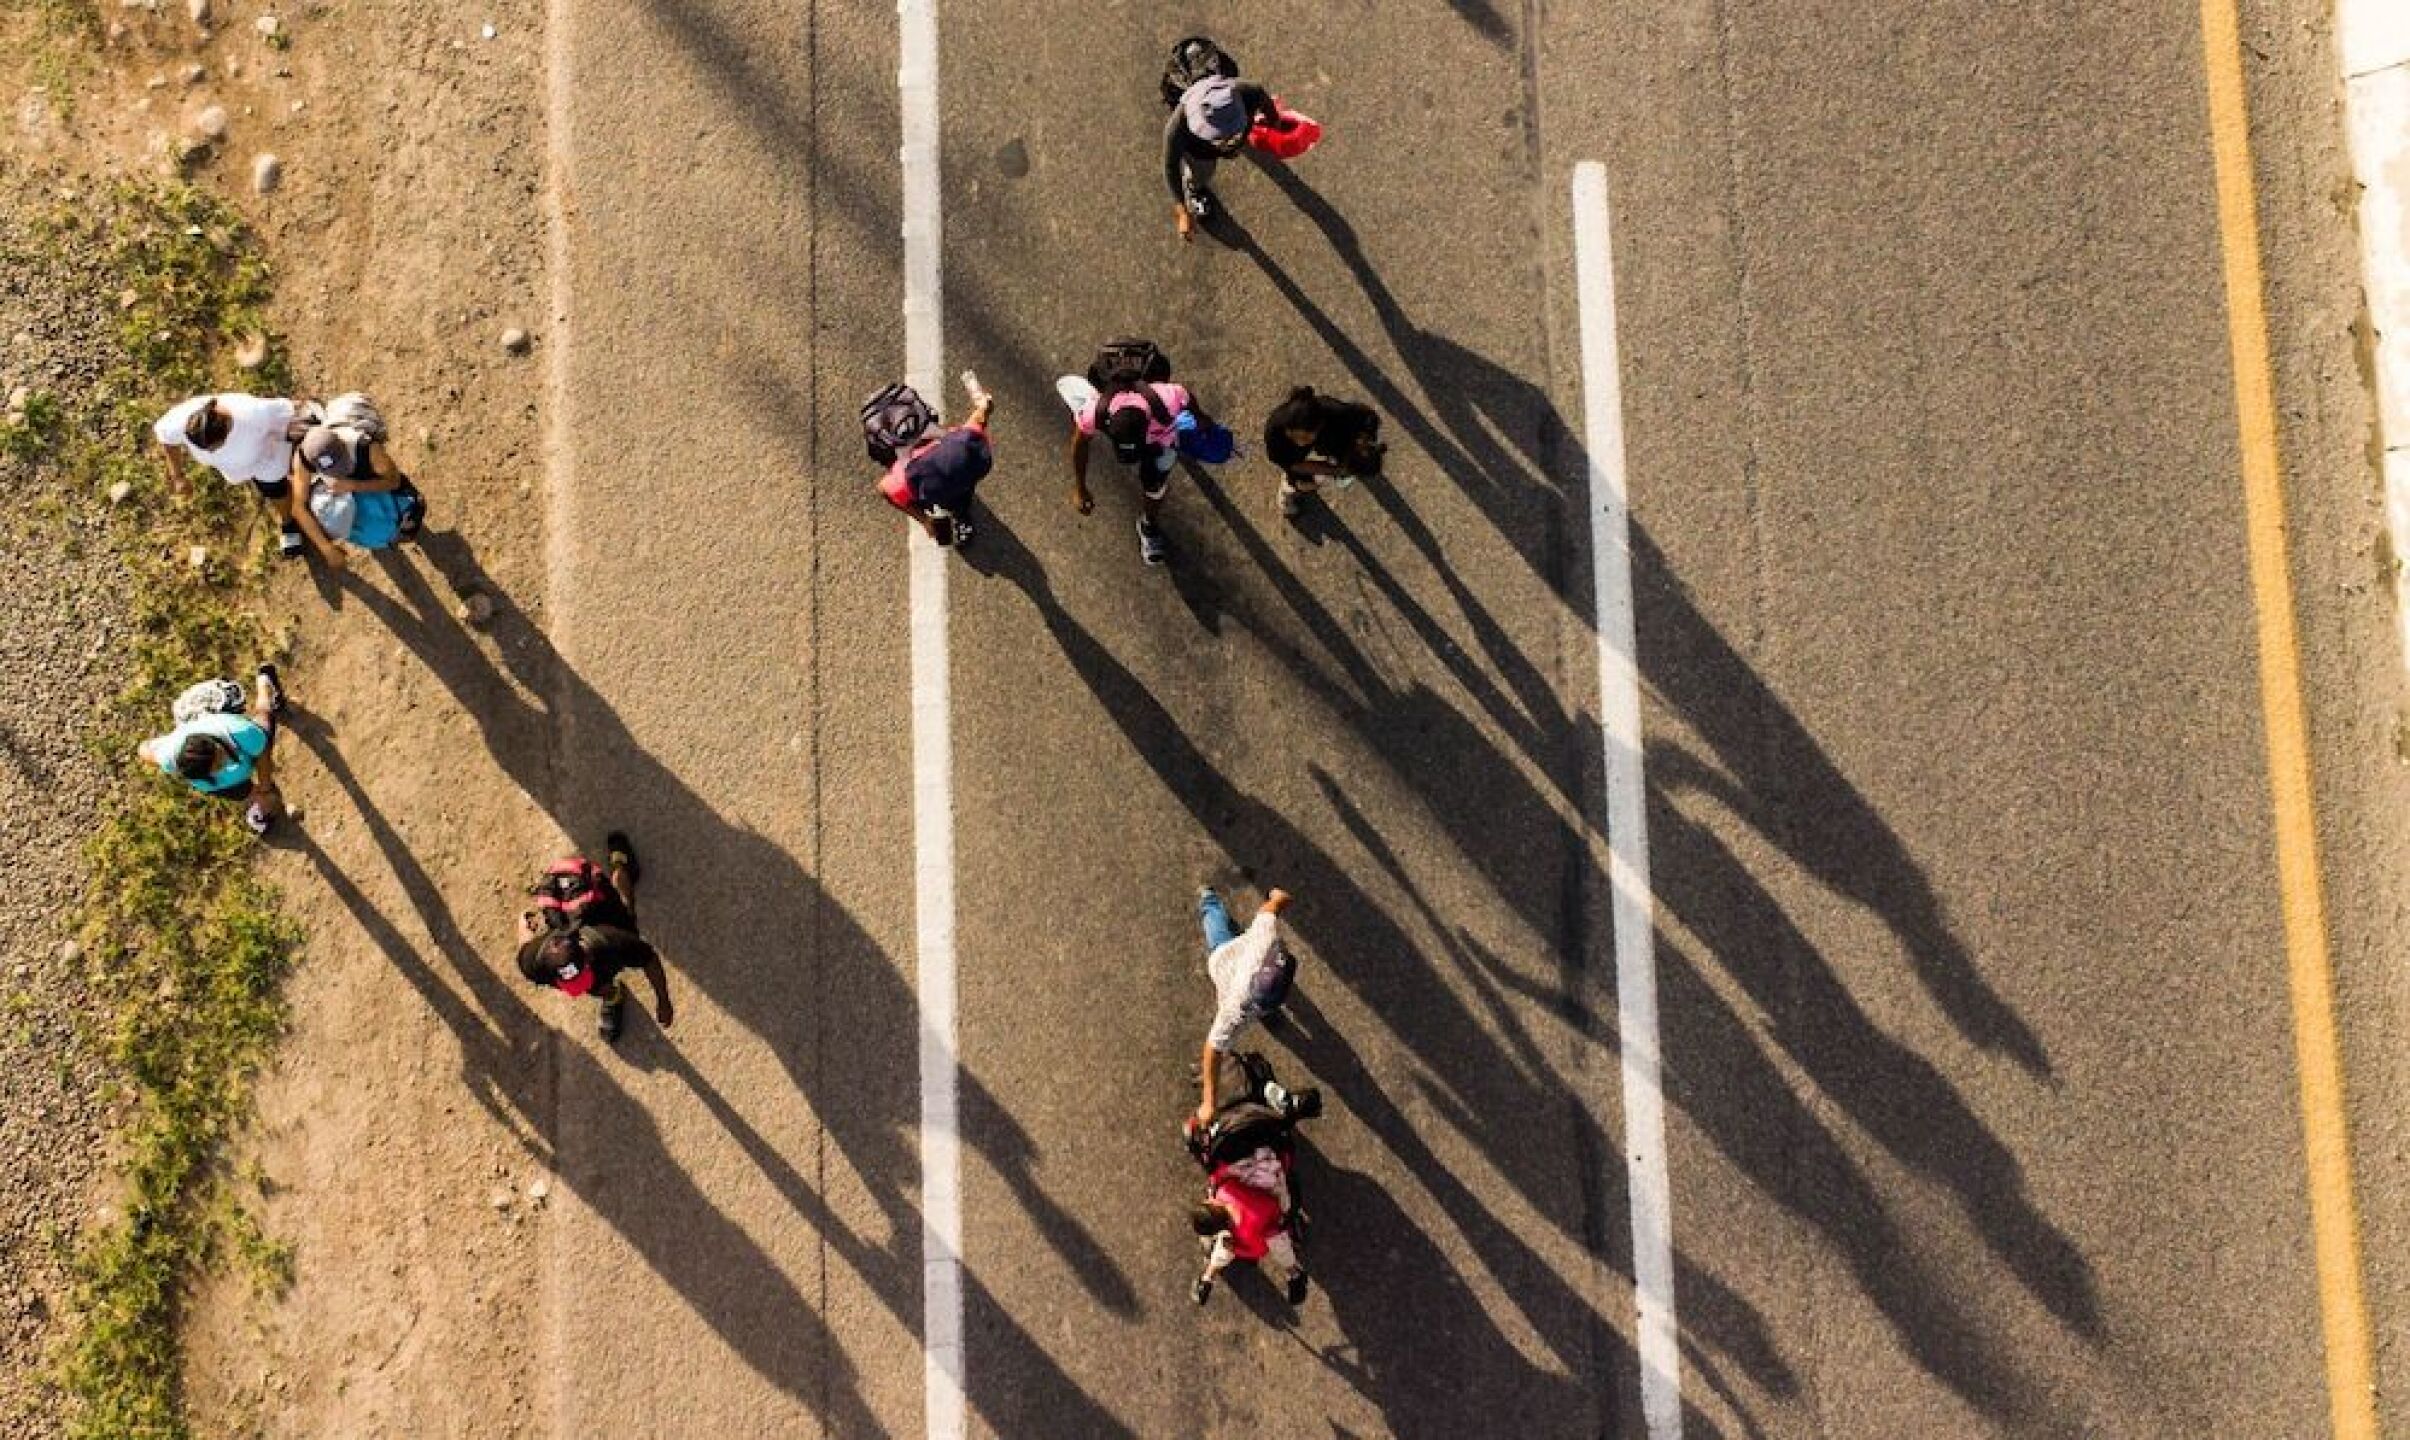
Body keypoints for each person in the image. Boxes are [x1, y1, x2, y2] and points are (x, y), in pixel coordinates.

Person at [514, 832, 675, 1044]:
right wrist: (522, 924)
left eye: (578, 978)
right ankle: (613, 995)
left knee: (627, 911)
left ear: (587, 954)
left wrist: (663, 1000)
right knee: (594, 984)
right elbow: (525, 943)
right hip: (572, 916)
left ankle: (621, 865)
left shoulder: (614, 940)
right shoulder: (532, 962)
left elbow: (649, 959)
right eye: (570, 983)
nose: (576, 988)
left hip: (597, 906)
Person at [1069, 342, 1205, 566]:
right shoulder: (1095, 412)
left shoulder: (1166, 401)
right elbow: (1079, 443)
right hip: (1142, 424)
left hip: (1158, 440)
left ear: (1148, 425)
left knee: (1156, 483)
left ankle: (1148, 525)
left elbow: (1186, 398)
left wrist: (1201, 419)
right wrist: (1079, 487)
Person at [152, 391, 313, 559]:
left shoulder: (255, 413)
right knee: (266, 486)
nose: (211, 452)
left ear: (227, 426)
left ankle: (288, 521)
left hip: (267, 459)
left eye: (214, 448)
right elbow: (166, 439)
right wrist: (177, 476)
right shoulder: (181, 422)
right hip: (238, 469)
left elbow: (290, 411)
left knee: (274, 489)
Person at [136, 664, 288, 835]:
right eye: (217, 767)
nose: (223, 766)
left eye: (220, 760)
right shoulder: (169, 757)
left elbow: (262, 755)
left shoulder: (241, 731)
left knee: (264, 718)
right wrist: (257, 793)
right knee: (242, 792)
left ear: (217, 745)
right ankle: (261, 800)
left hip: (239, 739)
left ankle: (263, 681)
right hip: (220, 781)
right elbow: (143, 749)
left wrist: (265, 785)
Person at [1159, 38, 1283, 241]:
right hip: (1201, 154)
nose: (1226, 138)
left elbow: (1263, 98)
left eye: (1231, 127)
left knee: (1235, 146)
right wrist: (1182, 211)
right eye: (1217, 133)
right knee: (1201, 172)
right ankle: (1195, 190)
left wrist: (1275, 122)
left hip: (1221, 138)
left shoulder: (1246, 91)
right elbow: (1170, 167)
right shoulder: (1178, 127)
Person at [1192, 886, 1296, 1121]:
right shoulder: (1236, 1007)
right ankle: (1208, 900)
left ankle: (1210, 902)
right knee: (1217, 930)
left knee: (1223, 932)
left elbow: (1268, 911)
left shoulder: (1266, 939)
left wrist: (1277, 899)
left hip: (1248, 953)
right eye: (1260, 1006)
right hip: (1224, 959)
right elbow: (1213, 1049)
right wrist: (1209, 1102)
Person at [291, 393, 426, 564]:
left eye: (341, 464)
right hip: (354, 495)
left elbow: (394, 481)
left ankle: (405, 531)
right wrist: (326, 549)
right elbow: (298, 507)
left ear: (341, 441)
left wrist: (354, 485)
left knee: (410, 520)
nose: (339, 471)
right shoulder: (304, 458)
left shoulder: (366, 447)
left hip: (375, 485)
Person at [875, 375, 994, 547]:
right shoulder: (965, 446)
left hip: (924, 470)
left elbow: (981, 415)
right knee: (960, 495)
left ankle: (955, 510)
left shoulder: (962, 443)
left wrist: (924, 520)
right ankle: (960, 513)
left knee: (949, 495)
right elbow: (981, 415)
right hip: (934, 474)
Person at [1191, 1149, 1308, 1306]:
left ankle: (1207, 1277)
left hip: (1259, 1233)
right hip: (1268, 1210)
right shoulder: (1225, 1191)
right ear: (1214, 1204)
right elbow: (1219, 1177)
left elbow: (1258, 1251)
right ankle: (1293, 1271)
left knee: (1225, 1247)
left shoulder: (1234, 1228)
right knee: (1276, 1241)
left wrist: (1237, 1249)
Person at [1263, 386, 1385, 516]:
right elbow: (1295, 465)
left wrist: (1363, 443)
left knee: (1360, 462)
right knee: (1303, 483)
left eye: (1307, 437)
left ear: (1320, 425)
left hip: (1329, 439)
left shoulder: (1333, 411)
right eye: (1298, 437)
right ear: (1288, 428)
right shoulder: (1275, 436)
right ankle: (1288, 493)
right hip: (1295, 457)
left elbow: (1366, 418)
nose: (1302, 442)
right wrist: (1334, 471)